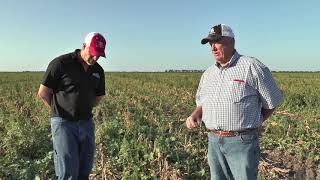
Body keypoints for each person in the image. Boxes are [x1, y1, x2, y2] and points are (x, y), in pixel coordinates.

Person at [186, 24, 283, 180]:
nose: (213, 47)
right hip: (214, 141)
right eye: (210, 44)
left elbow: (272, 101)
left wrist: (255, 122)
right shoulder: (208, 73)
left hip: (242, 142)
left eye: (217, 42)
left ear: (231, 42)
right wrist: (196, 114)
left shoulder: (251, 66)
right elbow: (203, 102)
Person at [38, 32, 107, 179]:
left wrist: (85, 107)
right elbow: (43, 92)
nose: (95, 58)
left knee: (85, 168)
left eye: (99, 55)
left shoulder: (98, 71)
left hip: (86, 123)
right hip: (64, 124)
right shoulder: (61, 63)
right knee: (68, 171)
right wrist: (59, 112)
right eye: (94, 53)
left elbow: (99, 95)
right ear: (84, 46)